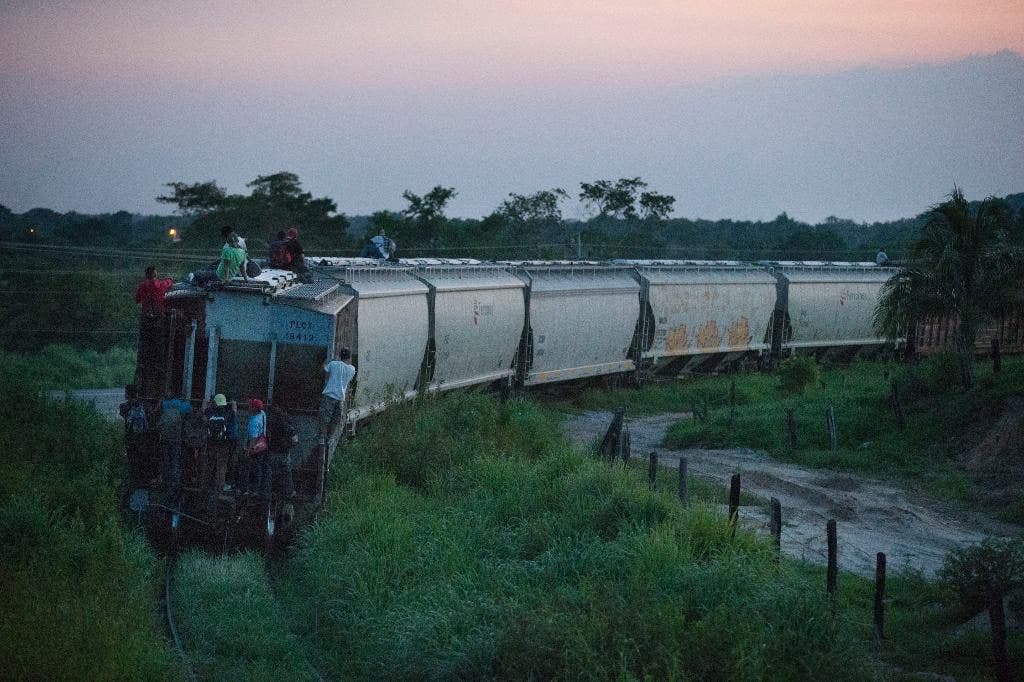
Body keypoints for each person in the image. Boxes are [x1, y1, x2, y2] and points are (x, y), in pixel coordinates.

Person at [203, 393, 238, 491]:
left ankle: (206, 483)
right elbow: (235, 411)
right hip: (223, 443)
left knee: (210, 463)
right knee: (221, 465)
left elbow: (203, 409)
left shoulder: (210, 412)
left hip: (211, 442)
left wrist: (206, 402)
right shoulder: (228, 413)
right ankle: (219, 485)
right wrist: (233, 403)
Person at [319, 347, 356, 441]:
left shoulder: (333, 364)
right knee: (335, 420)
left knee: (324, 419)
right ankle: (330, 438)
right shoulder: (351, 369)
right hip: (340, 398)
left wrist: (329, 360)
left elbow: (324, 371)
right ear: (349, 357)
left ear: (339, 355)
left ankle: (322, 438)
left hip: (329, 395)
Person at [268, 403, 298, 499]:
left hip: (274, 450)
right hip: (283, 451)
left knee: (273, 471)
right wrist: (288, 446)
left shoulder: (271, 421)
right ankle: (289, 492)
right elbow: (295, 440)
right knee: (286, 471)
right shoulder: (287, 421)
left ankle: (273, 492)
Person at [243, 398, 270, 497]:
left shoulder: (254, 422)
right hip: (262, 445)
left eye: (251, 406)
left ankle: (250, 489)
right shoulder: (262, 414)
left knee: (250, 468)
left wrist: (248, 451)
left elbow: (253, 439)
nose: (249, 407)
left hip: (255, 448)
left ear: (254, 409)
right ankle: (257, 489)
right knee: (259, 468)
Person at [156, 398, 183, 489]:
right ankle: (174, 481)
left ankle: (165, 480)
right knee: (175, 460)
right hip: (176, 441)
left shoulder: (165, 414)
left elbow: (158, 426)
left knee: (165, 460)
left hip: (165, 441)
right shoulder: (179, 415)